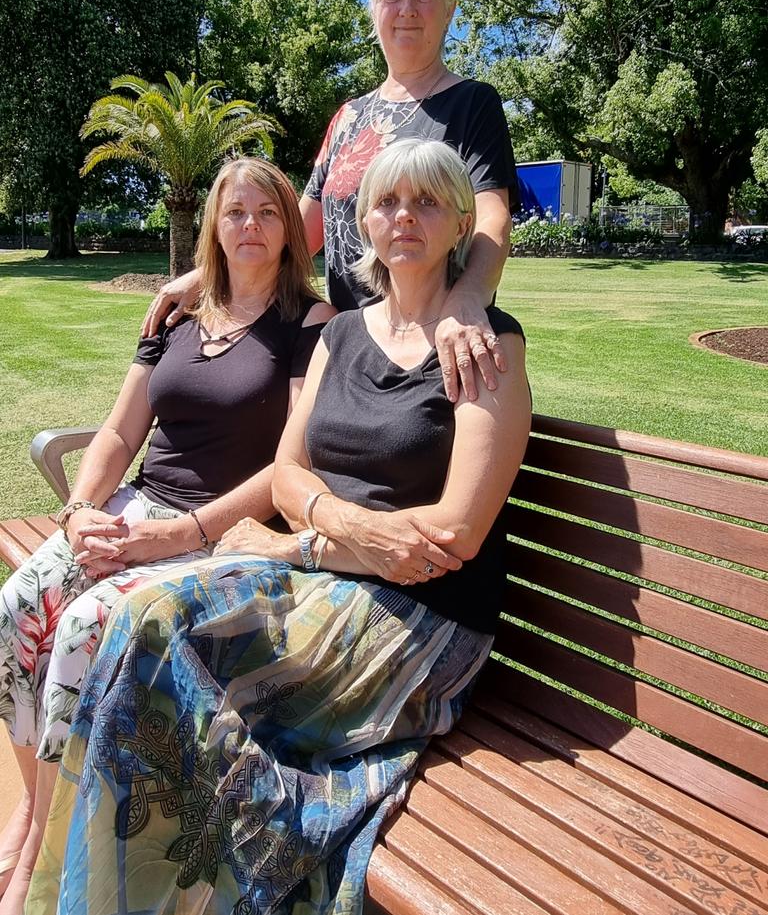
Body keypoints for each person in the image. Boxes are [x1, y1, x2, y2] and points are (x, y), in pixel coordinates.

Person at [27, 139, 531, 915]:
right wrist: (325, 529)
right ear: (360, 219)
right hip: (325, 571)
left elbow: (451, 536)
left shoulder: (485, 343)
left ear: (462, 221)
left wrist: (298, 538)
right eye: (388, 201)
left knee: (166, 665)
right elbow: (291, 474)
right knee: (139, 623)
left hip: (423, 619)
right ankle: (95, 892)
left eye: (427, 202)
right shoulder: (342, 336)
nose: (405, 217)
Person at [0, 157, 333, 912]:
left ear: (290, 229)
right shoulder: (177, 316)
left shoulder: (309, 326)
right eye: (236, 211)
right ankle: (34, 806)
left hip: (226, 538)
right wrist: (81, 509)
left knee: (86, 625)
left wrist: (178, 532)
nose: (250, 225)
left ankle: (43, 860)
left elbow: (289, 468)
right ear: (213, 223)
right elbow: (120, 430)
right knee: (18, 606)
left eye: (268, 212)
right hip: (137, 509)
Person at [143, 0, 519, 405]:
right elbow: (301, 229)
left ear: (449, 9)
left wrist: (468, 299)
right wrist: (203, 275)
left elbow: (491, 219)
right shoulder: (349, 117)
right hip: (347, 342)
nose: (407, 9)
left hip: (429, 347)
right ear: (374, 10)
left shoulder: (472, 103)